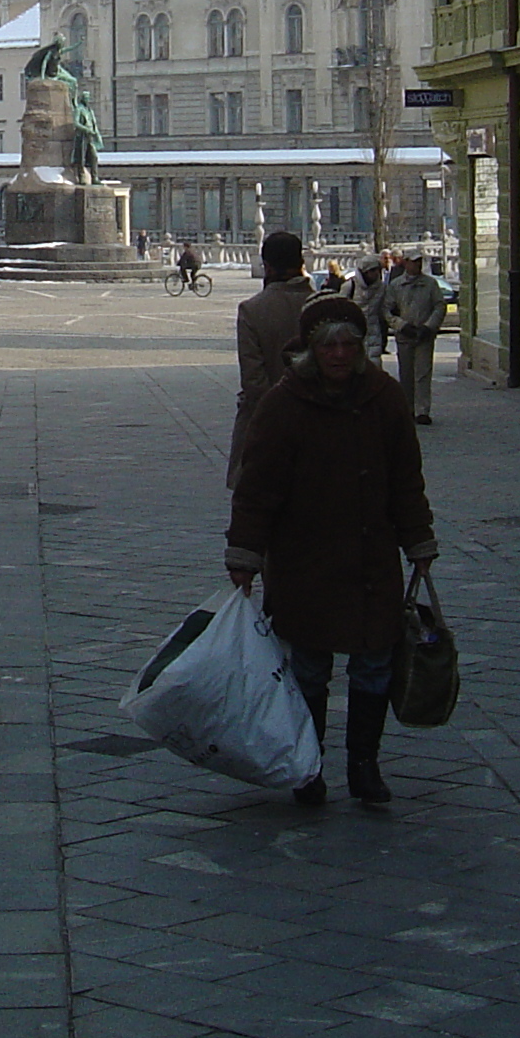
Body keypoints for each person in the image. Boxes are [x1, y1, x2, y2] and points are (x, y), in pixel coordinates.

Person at [226, 294, 437, 807]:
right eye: (330, 346)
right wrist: (246, 555)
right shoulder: (284, 403)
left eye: (349, 343)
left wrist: (419, 538)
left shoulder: (383, 397)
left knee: (373, 664)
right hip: (306, 560)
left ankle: (364, 764)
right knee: (309, 668)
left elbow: (407, 477)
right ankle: (309, 763)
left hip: (371, 557)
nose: (340, 354)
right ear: (310, 350)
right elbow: (258, 486)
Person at [229, 230, 315, 486]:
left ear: (266, 266)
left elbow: (253, 379)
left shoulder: (252, 309)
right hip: (318, 420)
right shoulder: (321, 304)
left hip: (266, 424)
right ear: (301, 264)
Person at [378, 255, 449, 425]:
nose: (417, 265)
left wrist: (429, 326)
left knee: (423, 374)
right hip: (405, 335)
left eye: (419, 262)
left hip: (424, 335)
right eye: (413, 261)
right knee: (406, 374)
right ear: (406, 263)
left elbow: (440, 305)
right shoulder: (396, 285)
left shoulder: (430, 284)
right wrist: (401, 325)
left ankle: (422, 410)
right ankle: (408, 408)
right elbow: (387, 310)